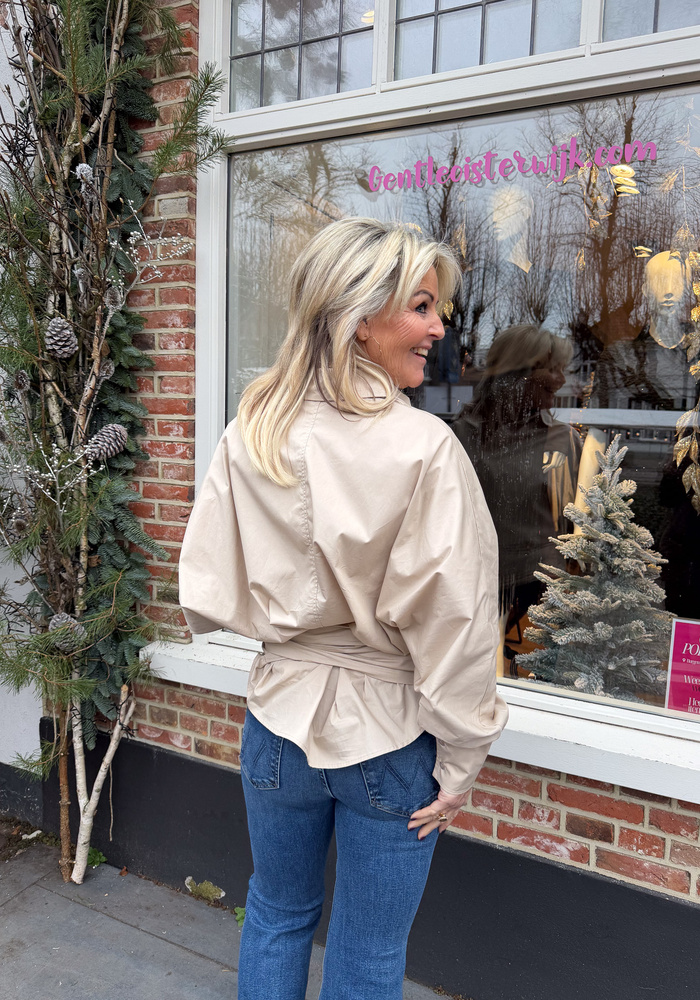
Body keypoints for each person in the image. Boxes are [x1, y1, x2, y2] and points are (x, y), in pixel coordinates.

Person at [178, 217, 508, 1000]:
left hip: (276, 725)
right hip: (388, 735)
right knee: (369, 948)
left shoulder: (253, 432)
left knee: (275, 912)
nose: (439, 327)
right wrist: (461, 758)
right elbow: (458, 623)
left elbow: (207, 582)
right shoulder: (424, 448)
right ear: (361, 319)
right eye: (421, 306)